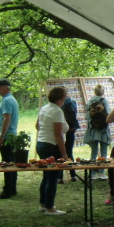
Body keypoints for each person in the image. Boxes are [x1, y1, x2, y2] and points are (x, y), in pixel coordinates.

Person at [36, 86, 70, 215]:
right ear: (60, 98)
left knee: (47, 175)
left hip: (42, 144)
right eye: (64, 97)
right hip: (51, 146)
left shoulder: (45, 108)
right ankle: (50, 208)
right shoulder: (57, 111)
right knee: (53, 177)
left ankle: (43, 204)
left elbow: (37, 125)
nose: (65, 99)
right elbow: (58, 134)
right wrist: (64, 153)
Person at [0, 78, 19, 199]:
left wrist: (1, 136)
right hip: (11, 135)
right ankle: (12, 188)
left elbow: (6, 118)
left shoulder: (7, 101)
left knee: (7, 163)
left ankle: (7, 190)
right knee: (11, 163)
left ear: (4, 87)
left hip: (7, 136)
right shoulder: (11, 99)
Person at [84, 84, 111, 179]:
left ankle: (92, 173)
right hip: (103, 130)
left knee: (93, 152)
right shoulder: (105, 101)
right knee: (103, 152)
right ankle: (101, 172)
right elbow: (108, 114)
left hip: (92, 129)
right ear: (103, 92)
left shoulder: (89, 102)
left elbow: (87, 117)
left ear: (94, 91)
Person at [59, 94, 80, 183]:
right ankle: (73, 175)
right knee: (69, 152)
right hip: (71, 130)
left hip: (62, 130)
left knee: (60, 153)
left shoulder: (59, 104)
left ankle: (60, 177)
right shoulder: (73, 102)